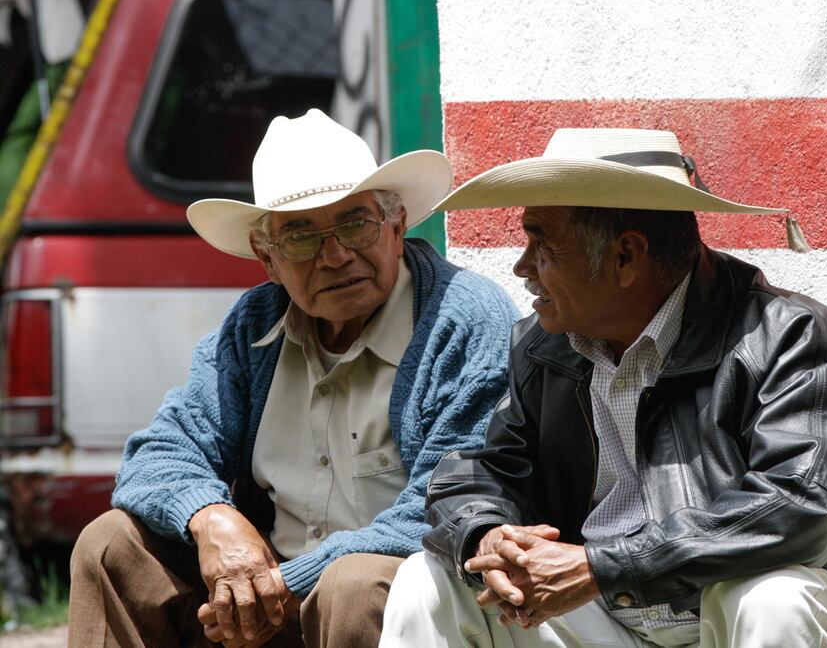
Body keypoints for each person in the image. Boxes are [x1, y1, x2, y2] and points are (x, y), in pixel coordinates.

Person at [382, 128, 827, 648]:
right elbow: (487, 473)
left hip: (758, 617)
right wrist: (488, 536)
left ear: (625, 256)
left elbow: (801, 509)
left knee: (772, 598)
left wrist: (601, 567)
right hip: (615, 615)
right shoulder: (543, 346)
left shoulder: (789, 334)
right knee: (427, 581)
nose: (523, 266)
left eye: (541, 244)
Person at [68, 109, 520, 647]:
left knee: (353, 585)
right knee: (112, 544)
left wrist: (280, 584)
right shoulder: (253, 325)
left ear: (397, 227)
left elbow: (449, 506)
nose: (336, 256)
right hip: (263, 600)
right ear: (268, 258)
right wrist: (211, 518)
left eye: (355, 223)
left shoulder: (464, 319)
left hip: (395, 605)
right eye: (302, 236)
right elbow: (158, 454)